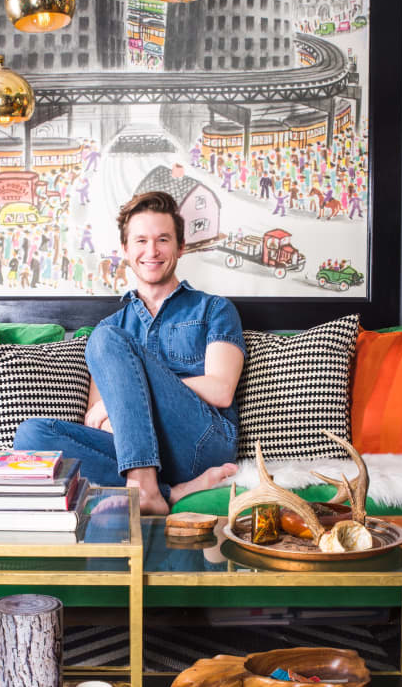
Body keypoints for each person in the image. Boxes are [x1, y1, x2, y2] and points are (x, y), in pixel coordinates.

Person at [13, 190, 246, 515]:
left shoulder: (214, 309)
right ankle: (170, 492)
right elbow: (96, 416)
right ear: (125, 249)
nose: (152, 251)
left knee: (106, 339)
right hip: (137, 448)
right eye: (141, 241)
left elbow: (220, 390)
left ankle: (143, 487)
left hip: (199, 443)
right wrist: (119, 408)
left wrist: (127, 397)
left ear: (180, 247)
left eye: (163, 239)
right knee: (31, 436)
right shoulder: (111, 327)